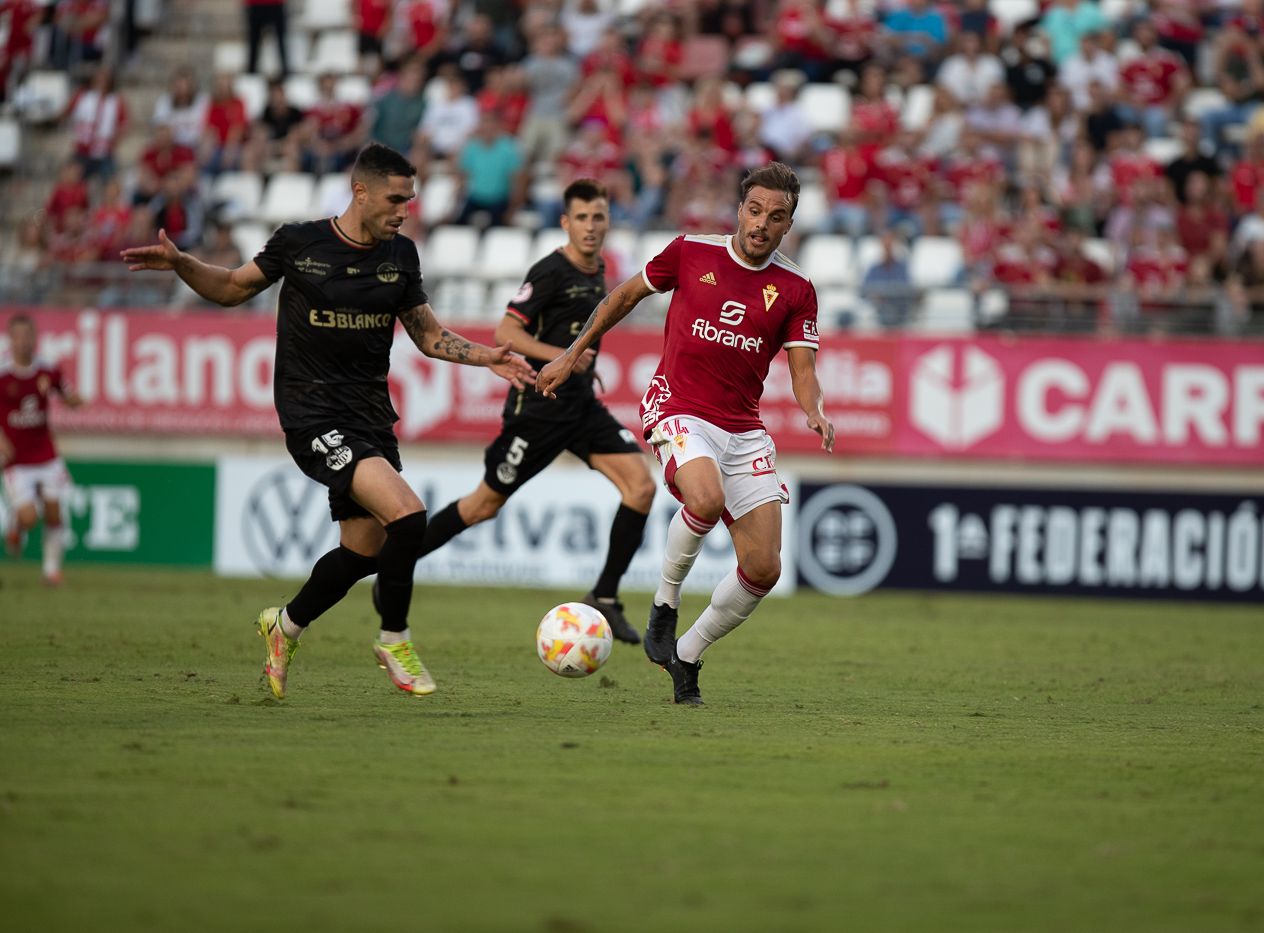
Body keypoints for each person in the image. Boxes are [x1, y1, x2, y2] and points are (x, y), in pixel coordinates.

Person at [121, 143, 534, 700]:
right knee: (408, 518)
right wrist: (182, 265)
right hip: (311, 410)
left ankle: (284, 625)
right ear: (359, 191)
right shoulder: (300, 242)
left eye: (410, 200)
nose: (404, 210)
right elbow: (231, 288)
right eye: (394, 198)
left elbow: (428, 334)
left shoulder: (401, 256)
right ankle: (395, 638)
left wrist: (490, 357)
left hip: (370, 415)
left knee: (362, 551)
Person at [537, 162, 836, 706]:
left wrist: (814, 409)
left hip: (742, 428)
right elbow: (622, 297)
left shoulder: (797, 289)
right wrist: (571, 352)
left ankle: (687, 654)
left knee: (764, 568)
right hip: (677, 405)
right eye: (754, 210)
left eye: (776, 217)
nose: (761, 224)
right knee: (704, 496)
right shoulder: (691, 251)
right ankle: (664, 605)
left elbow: (803, 370)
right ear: (739, 209)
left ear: (788, 225)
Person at [415, 179, 655, 642]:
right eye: (581, 217)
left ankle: (604, 597)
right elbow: (507, 329)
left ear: (608, 221)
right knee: (483, 506)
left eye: (598, 217)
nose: (590, 226)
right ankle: (396, 564)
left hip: (580, 406)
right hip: (537, 413)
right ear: (565, 222)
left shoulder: (599, 269)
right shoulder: (550, 270)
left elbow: (577, 334)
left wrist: (581, 368)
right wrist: (561, 356)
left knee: (640, 487)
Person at [1, 314, 83, 585]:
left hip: (45, 453)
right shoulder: (3, 374)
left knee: (54, 511)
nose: (23, 342)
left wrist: (75, 400)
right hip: (16, 459)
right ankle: (16, 526)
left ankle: (51, 571)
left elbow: (68, 394)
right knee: (29, 517)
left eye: (28, 336)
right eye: (18, 337)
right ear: (10, 339)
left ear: (35, 339)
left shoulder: (48, 370)